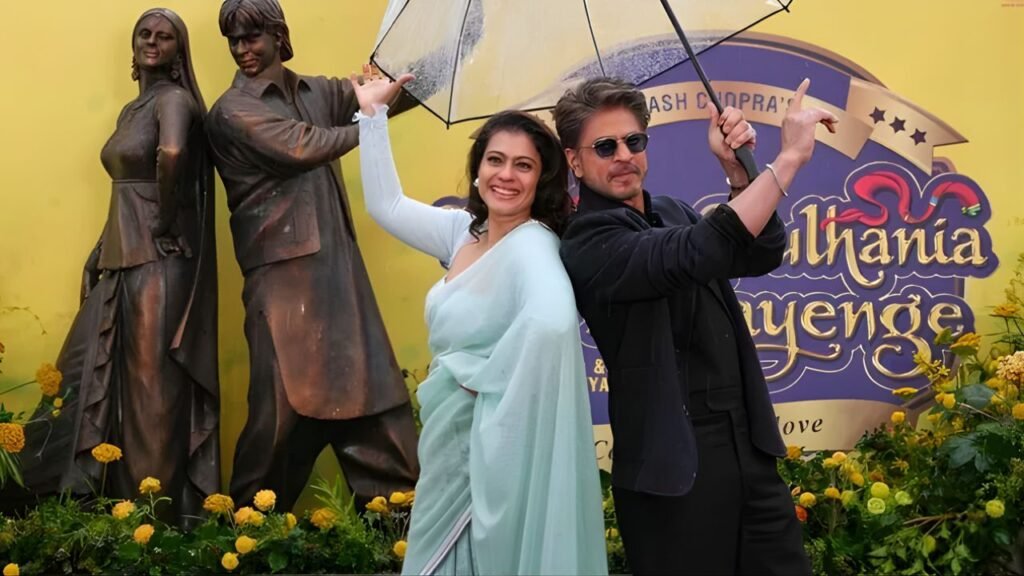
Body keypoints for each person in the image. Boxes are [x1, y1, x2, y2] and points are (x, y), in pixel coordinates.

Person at [554, 76, 838, 575]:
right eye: (605, 146)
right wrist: (788, 159)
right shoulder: (586, 240)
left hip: (747, 446)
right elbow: (693, 253)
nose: (624, 155)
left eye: (634, 140)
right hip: (671, 473)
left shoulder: (671, 211)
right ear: (574, 161)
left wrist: (739, 174)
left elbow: (760, 252)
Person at [350, 70, 607, 576]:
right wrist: (373, 115)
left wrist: (478, 379)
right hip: (449, 448)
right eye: (495, 160)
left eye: (523, 165)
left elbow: (552, 324)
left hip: (487, 449)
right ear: (477, 168)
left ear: (541, 180)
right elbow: (387, 205)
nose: (505, 175)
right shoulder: (464, 232)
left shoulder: (533, 247)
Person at [205, 0, 419, 512]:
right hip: (283, 284)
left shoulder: (314, 92)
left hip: (339, 277)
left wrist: (445, 57)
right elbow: (303, 146)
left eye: (252, 37)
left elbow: (388, 94)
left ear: (279, 35)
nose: (242, 50)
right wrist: (371, 117)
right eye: (233, 40)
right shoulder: (232, 111)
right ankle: (247, 533)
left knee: (374, 400)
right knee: (279, 414)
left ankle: (403, 527)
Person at [18, 7, 220, 522]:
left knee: (153, 395)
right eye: (144, 34)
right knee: (109, 385)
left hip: (157, 263)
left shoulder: (174, 100)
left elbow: (172, 155)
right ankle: (107, 512)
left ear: (178, 51)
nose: (152, 42)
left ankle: (157, 522)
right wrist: (99, 249)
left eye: (164, 36)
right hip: (123, 255)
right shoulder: (134, 108)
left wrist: (163, 224)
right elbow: (128, 191)